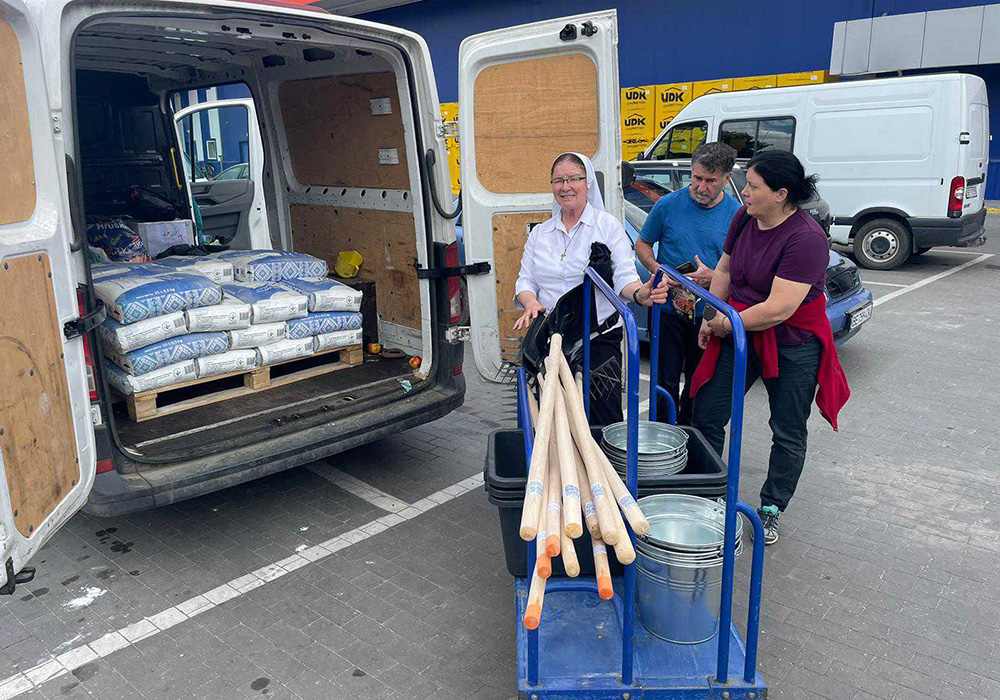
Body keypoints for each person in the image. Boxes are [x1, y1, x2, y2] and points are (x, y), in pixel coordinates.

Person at [689, 150, 850, 545]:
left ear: (781, 194)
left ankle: (771, 507)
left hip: (792, 341)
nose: (744, 192)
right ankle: (708, 493)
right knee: (708, 411)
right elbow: (724, 269)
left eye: (753, 186)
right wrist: (713, 316)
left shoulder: (806, 238)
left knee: (787, 428)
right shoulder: (745, 218)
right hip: (742, 328)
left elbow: (779, 308)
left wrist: (726, 324)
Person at [514, 152, 669, 425]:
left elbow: (624, 276)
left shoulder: (607, 226)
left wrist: (640, 294)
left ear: (587, 185)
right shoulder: (540, 233)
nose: (566, 186)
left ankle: (605, 467)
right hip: (550, 337)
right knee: (549, 419)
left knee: (600, 416)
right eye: (559, 180)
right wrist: (530, 303)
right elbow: (525, 281)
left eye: (574, 178)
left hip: (597, 338)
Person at [635, 142, 741, 425]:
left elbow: (741, 268)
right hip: (667, 312)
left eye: (710, 181)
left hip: (709, 315)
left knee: (699, 382)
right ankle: (660, 438)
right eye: (696, 178)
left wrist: (714, 278)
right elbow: (643, 244)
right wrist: (658, 270)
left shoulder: (737, 215)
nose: (701, 187)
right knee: (663, 381)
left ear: (727, 179)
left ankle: (689, 439)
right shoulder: (668, 205)